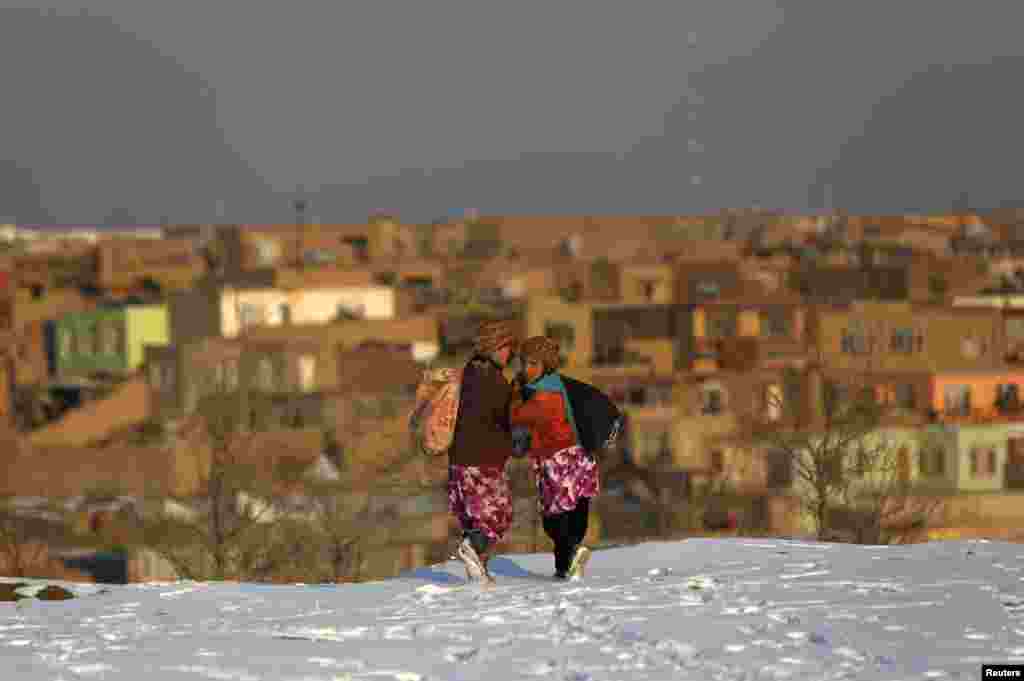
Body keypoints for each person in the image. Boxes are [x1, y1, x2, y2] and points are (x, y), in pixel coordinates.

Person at [510, 336, 599, 580]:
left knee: (553, 518)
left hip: (557, 460)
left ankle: (569, 557)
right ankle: (569, 561)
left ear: (546, 365)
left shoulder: (543, 395)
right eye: (524, 364)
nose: (526, 370)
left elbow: (518, 415)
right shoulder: (560, 385)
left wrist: (516, 395)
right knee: (576, 511)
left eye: (532, 364)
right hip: (580, 456)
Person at [446, 319, 521, 584]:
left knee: (475, 517)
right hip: (481, 460)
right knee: (497, 515)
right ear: (492, 347)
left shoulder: (471, 371)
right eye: (505, 347)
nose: (509, 353)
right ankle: (471, 550)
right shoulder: (489, 378)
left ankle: (478, 572)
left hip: (463, 459)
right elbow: (503, 416)